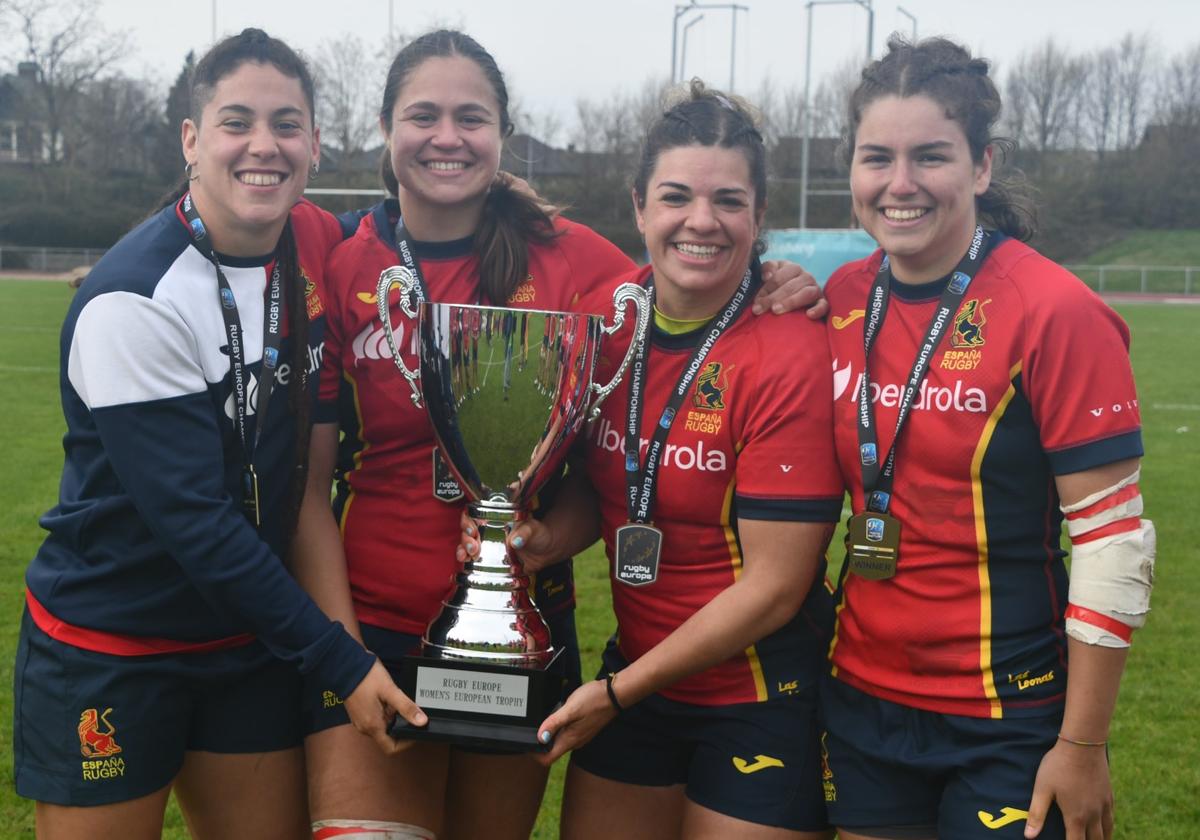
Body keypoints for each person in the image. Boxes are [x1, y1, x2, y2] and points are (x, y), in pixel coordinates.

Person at [292, 29, 828, 840]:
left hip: (521, 634)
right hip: (371, 631)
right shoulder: (339, 259)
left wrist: (774, 279)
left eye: (470, 117)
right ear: (384, 128)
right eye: (423, 115)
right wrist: (343, 653)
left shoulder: (581, 266)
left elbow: (691, 284)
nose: (447, 137)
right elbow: (309, 484)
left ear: (502, 134)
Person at [12, 29, 413, 839]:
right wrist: (342, 660)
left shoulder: (313, 240)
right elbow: (197, 525)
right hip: (112, 645)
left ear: (314, 144)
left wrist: (735, 277)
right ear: (193, 140)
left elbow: (415, 223)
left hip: (246, 642)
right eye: (237, 121)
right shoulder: (133, 299)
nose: (263, 145)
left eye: (287, 124)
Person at [463, 81, 845, 839]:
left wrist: (617, 693)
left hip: (757, 695)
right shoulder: (605, 322)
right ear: (639, 207)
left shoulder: (790, 349)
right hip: (639, 678)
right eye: (676, 197)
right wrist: (545, 541)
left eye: (729, 201)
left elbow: (775, 587)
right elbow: (603, 488)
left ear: (759, 217)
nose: (700, 222)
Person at [819, 36, 1154, 840]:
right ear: (852, 170)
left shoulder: (1054, 311)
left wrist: (1082, 744)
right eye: (877, 158)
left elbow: (1113, 544)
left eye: (930, 156)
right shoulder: (837, 295)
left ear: (982, 166)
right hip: (860, 701)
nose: (900, 185)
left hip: (1009, 715)